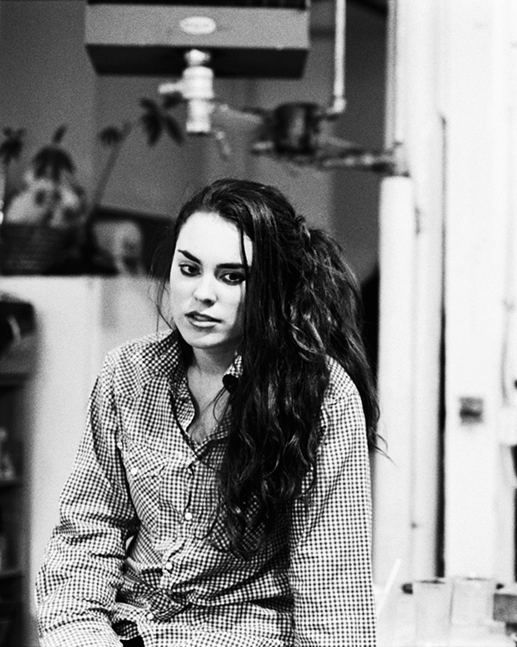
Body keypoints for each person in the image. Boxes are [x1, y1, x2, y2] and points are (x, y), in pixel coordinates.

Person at [35, 178, 381, 647]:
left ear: (272, 287)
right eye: (189, 269)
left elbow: (332, 593)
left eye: (232, 276)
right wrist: (81, 635)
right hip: (127, 631)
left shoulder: (320, 393)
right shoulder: (128, 373)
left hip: (244, 636)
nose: (202, 293)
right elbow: (87, 535)